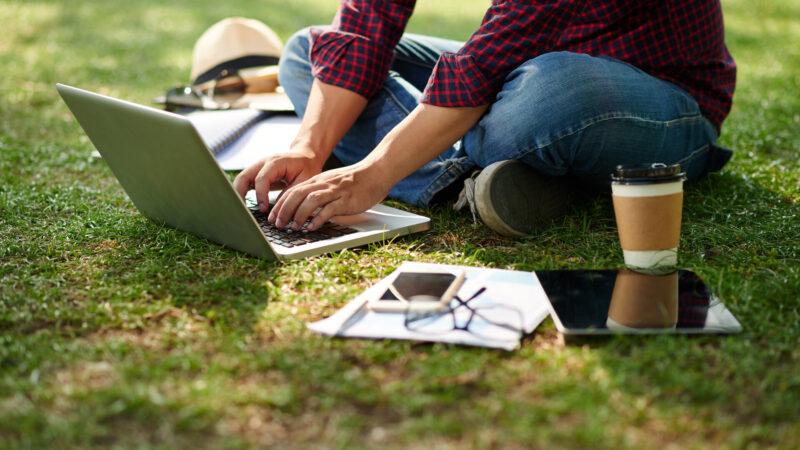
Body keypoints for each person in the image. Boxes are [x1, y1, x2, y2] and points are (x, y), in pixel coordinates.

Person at [233, 0, 736, 237]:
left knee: (547, 93)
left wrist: (374, 172)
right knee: (309, 52)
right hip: (527, 66)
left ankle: (464, 167)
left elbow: (480, 71)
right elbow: (365, 26)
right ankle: (471, 182)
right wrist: (310, 147)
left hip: (660, 102)